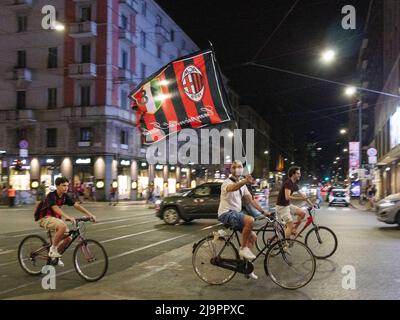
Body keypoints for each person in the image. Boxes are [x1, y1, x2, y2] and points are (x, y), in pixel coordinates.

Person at [218, 160, 269, 280]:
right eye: (234, 167)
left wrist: (264, 212)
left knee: (253, 237)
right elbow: (232, 188)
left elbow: (251, 200)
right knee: (249, 220)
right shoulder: (226, 183)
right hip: (226, 214)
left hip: (235, 213)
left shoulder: (243, 186)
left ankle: (246, 267)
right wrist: (245, 181)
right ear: (231, 170)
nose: (237, 169)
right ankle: (243, 249)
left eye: (239, 167)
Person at [37, 177, 96, 266]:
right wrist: (67, 217)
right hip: (45, 218)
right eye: (63, 185)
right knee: (62, 226)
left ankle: (56, 257)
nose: (66, 187)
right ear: (57, 186)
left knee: (68, 238)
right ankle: (52, 250)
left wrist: (90, 214)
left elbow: (76, 205)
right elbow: (54, 207)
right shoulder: (51, 195)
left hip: (56, 219)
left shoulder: (64, 196)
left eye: (67, 185)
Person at [276, 166, 313, 239]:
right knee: (289, 225)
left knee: (302, 213)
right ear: (293, 174)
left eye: (300, 173)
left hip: (287, 205)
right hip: (282, 206)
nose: (300, 175)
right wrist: (300, 198)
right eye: (298, 173)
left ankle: (294, 229)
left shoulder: (294, 184)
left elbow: (303, 195)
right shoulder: (288, 183)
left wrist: (312, 204)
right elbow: (287, 197)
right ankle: (285, 245)